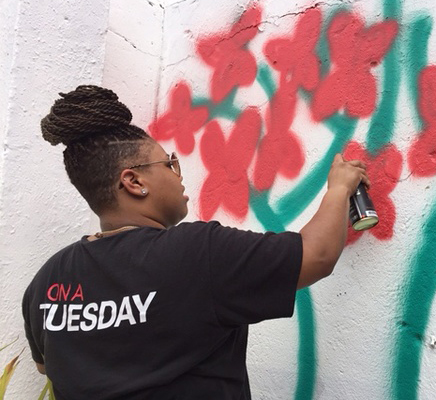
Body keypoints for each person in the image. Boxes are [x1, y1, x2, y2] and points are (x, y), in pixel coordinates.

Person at [22, 85, 370, 399]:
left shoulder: (46, 282)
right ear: (134, 181)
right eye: (169, 163)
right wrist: (339, 188)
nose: (179, 172)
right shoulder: (195, 252)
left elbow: (47, 367)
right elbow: (316, 255)